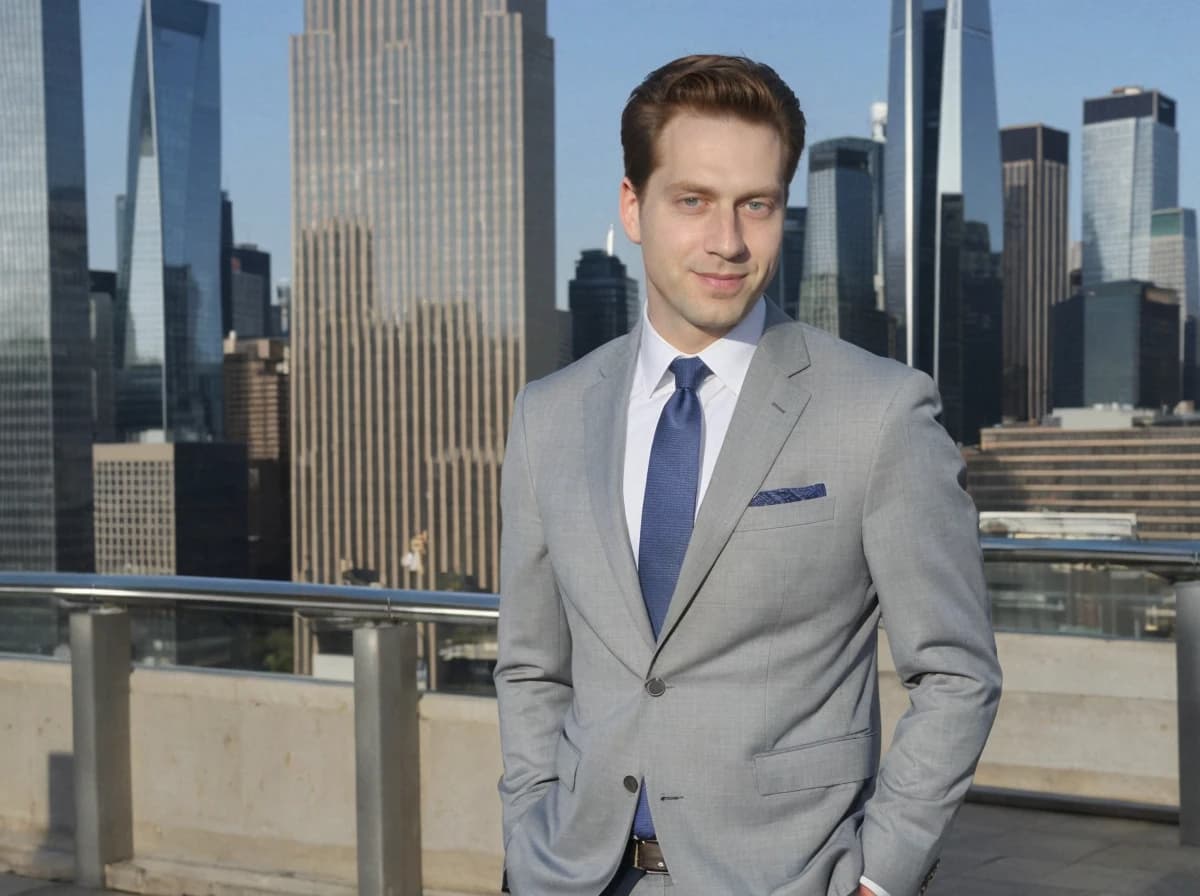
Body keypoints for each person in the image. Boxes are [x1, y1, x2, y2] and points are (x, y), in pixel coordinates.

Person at [494, 54, 1002, 896]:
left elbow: (957, 672)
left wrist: (883, 877)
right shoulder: (546, 416)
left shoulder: (880, 411)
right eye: (692, 201)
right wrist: (527, 832)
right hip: (566, 875)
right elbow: (530, 666)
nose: (727, 242)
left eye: (756, 205)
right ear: (633, 207)